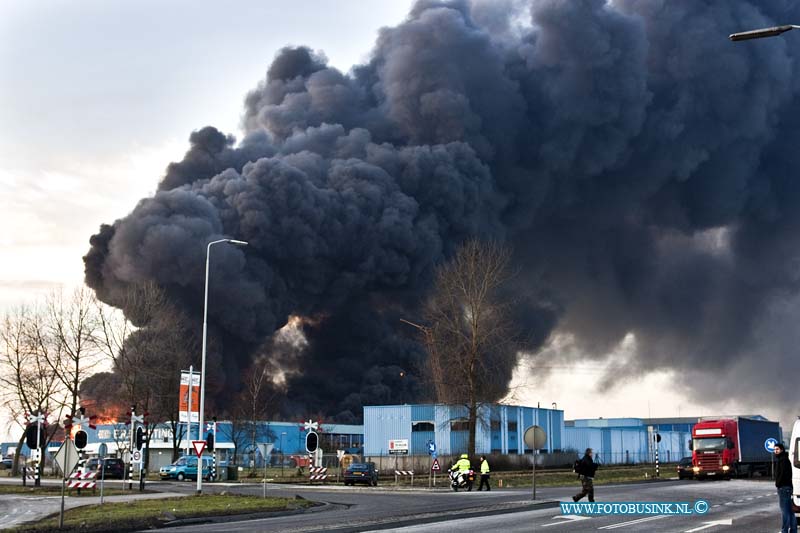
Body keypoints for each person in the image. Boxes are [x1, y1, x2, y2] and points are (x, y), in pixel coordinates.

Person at [774, 442, 797, 533]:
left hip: (783, 488)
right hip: (788, 487)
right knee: (790, 511)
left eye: (777, 449)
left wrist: (777, 484)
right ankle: (793, 530)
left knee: (784, 512)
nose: (775, 451)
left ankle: (784, 531)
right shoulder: (785, 459)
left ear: (782, 450)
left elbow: (782, 474)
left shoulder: (782, 460)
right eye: (774, 449)